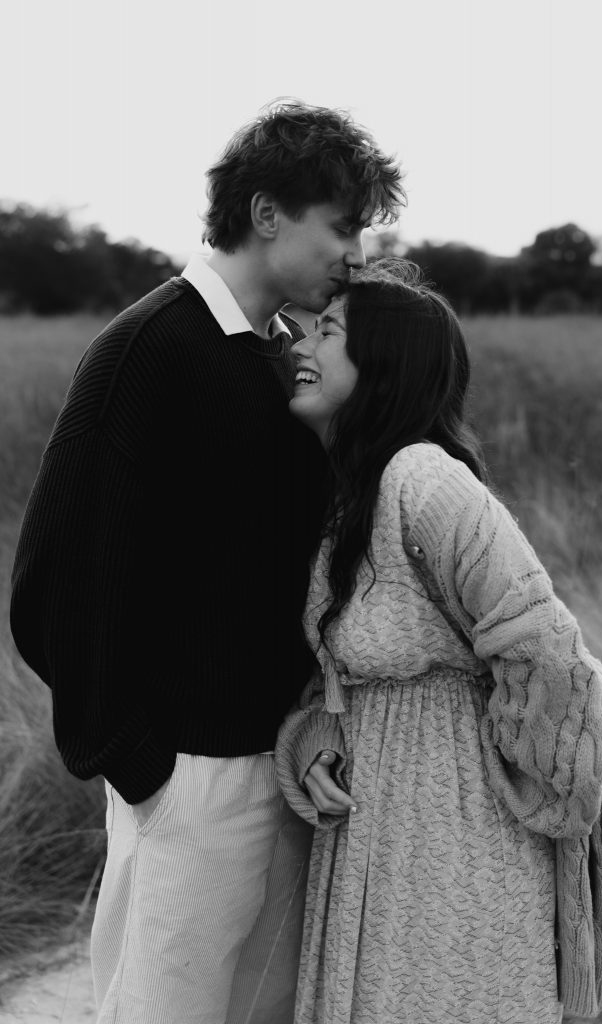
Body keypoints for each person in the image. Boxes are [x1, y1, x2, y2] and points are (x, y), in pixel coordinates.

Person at [9, 103, 405, 1024]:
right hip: (190, 775)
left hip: (280, 762)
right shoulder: (149, 349)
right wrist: (138, 764)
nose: (355, 253)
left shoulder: (277, 360)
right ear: (267, 214)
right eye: (342, 225)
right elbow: (51, 584)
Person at [274, 259, 602, 1024]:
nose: (301, 343)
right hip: (376, 832)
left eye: (328, 331)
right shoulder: (350, 498)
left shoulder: (425, 480)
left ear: (384, 363)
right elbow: (352, 674)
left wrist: (503, 773)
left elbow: (543, 647)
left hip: (455, 839)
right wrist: (323, 741)